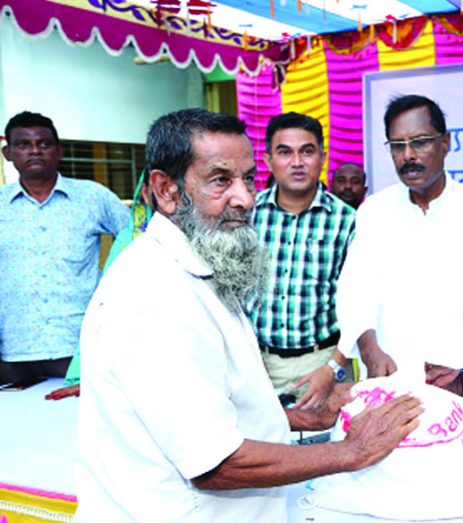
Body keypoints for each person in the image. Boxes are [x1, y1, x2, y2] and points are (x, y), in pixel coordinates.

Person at [75, 108, 422, 521]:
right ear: (165, 190)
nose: (245, 198)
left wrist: (302, 419)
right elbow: (215, 462)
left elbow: (210, 411)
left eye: (248, 179)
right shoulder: (156, 295)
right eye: (220, 180)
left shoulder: (200, 260)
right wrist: (354, 450)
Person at [327, 94, 463, 409]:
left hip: (453, 384)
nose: (408, 155)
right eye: (397, 146)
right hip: (385, 382)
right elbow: (355, 288)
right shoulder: (375, 211)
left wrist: (462, 362)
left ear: (446, 143)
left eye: (420, 142)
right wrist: (368, 347)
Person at [0, 111, 129, 384]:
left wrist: (111, 285)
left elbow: (138, 241)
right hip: (12, 354)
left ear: (59, 151)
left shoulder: (93, 197)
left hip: (80, 347)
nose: (35, 150)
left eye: (44, 143)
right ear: (8, 153)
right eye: (23, 144)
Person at [248, 113, 356, 399]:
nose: (297, 162)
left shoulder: (347, 221)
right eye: (285, 152)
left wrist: (334, 367)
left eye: (307, 151)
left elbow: (361, 302)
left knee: (327, 443)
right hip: (256, 364)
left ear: (322, 157)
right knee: (263, 444)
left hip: (322, 363)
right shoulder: (246, 215)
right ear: (268, 160)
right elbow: (230, 295)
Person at [46, 173, 154, 401]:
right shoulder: (132, 240)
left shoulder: (226, 238)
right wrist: (81, 376)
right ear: (148, 191)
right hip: (140, 372)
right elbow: (105, 311)